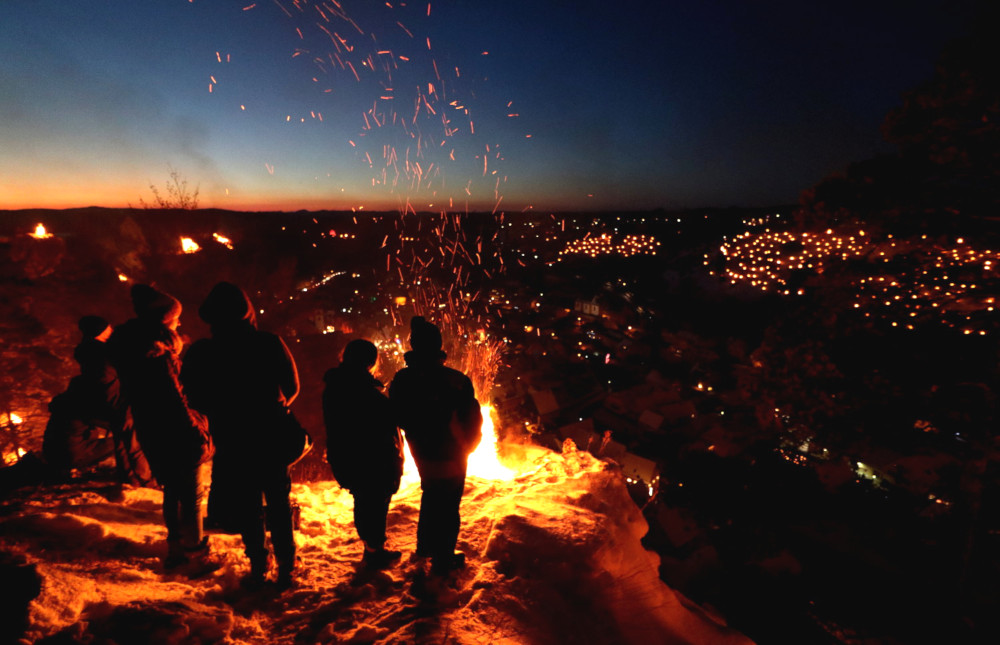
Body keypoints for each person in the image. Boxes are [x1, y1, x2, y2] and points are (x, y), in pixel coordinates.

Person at [181, 281, 301, 587]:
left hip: (232, 435)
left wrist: (222, 412)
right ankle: (287, 563)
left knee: (248, 502)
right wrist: (273, 406)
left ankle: (259, 562)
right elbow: (292, 386)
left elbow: (192, 395)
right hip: (270, 432)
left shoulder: (203, 352)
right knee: (277, 499)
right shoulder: (268, 343)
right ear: (246, 311)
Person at [107, 284, 217, 576]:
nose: (180, 323)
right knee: (191, 494)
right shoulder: (158, 353)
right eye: (176, 318)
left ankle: (176, 551)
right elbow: (174, 398)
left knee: (172, 490)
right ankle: (196, 555)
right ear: (165, 320)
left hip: (150, 427)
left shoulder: (132, 348)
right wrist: (196, 428)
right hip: (176, 428)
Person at [389, 316, 482, 575]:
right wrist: (467, 447)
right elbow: (473, 418)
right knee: (448, 504)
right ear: (437, 346)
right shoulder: (456, 380)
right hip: (453, 452)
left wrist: (417, 432)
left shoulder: (403, 379)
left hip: (421, 449)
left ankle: (425, 546)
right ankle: (443, 559)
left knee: (431, 492)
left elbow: (397, 414)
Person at [323, 339, 405, 568]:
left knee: (365, 498)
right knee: (375, 501)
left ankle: (372, 547)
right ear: (369, 361)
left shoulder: (335, 386)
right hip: (372, 457)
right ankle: (374, 550)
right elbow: (386, 417)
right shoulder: (361, 389)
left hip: (347, 455)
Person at [43, 315, 152, 485]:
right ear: (100, 333)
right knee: (127, 437)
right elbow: (106, 386)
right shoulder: (100, 357)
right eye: (108, 328)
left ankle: (137, 477)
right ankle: (138, 479)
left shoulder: (92, 356)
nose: (112, 330)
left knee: (126, 435)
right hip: (75, 452)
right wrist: (121, 406)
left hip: (63, 453)